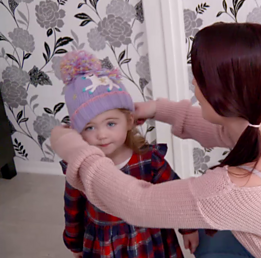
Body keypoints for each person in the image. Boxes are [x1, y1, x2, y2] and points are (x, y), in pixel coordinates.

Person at [51, 23, 261, 257]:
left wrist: (75, 150)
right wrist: (159, 109)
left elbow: (136, 204)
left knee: (210, 248)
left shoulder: (234, 190)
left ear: (223, 93)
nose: (193, 84)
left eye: (199, 76)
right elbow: (226, 130)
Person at [57, 50, 198, 258]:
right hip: (105, 243)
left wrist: (189, 228)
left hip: (150, 236)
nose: (102, 135)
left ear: (129, 121)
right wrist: (75, 244)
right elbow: (73, 209)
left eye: (111, 123)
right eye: (89, 128)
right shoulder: (81, 167)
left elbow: (175, 193)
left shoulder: (149, 160)